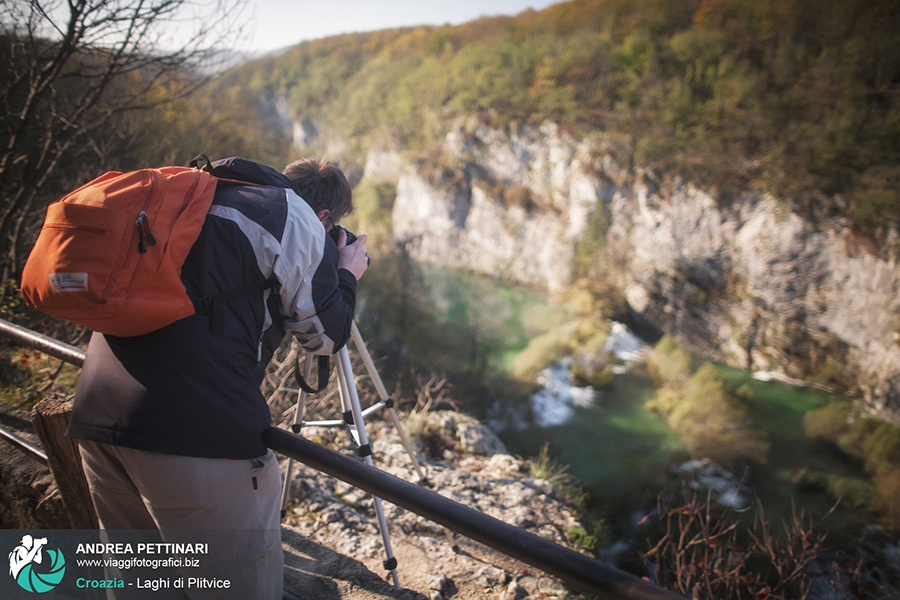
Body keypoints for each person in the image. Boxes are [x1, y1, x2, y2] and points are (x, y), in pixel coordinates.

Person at [65, 157, 368, 598]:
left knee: (139, 587)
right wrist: (345, 274)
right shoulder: (291, 216)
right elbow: (325, 335)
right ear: (325, 217)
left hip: (98, 415)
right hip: (196, 435)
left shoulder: (196, 191)